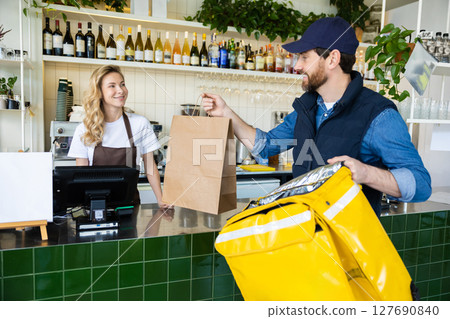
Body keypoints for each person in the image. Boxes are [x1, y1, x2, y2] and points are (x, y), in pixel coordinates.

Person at [202, 17, 431, 216]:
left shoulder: (378, 115)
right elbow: (265, 146)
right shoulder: (307, 108)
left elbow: (421, 184)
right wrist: (226, 113)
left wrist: (366, 173)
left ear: (332, 59)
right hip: (306, 241)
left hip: (347, 252)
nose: (297, 66)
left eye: (304, 57)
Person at [68, 65, 170, 209]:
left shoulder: (140, 124)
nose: (120, 90)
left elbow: (150, 168)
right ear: (99, 92)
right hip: (94, 209)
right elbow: (82, 176)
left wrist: (161, 199)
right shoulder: (85, 129)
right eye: (112, 86)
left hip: (129, 207)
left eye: (122, 84)